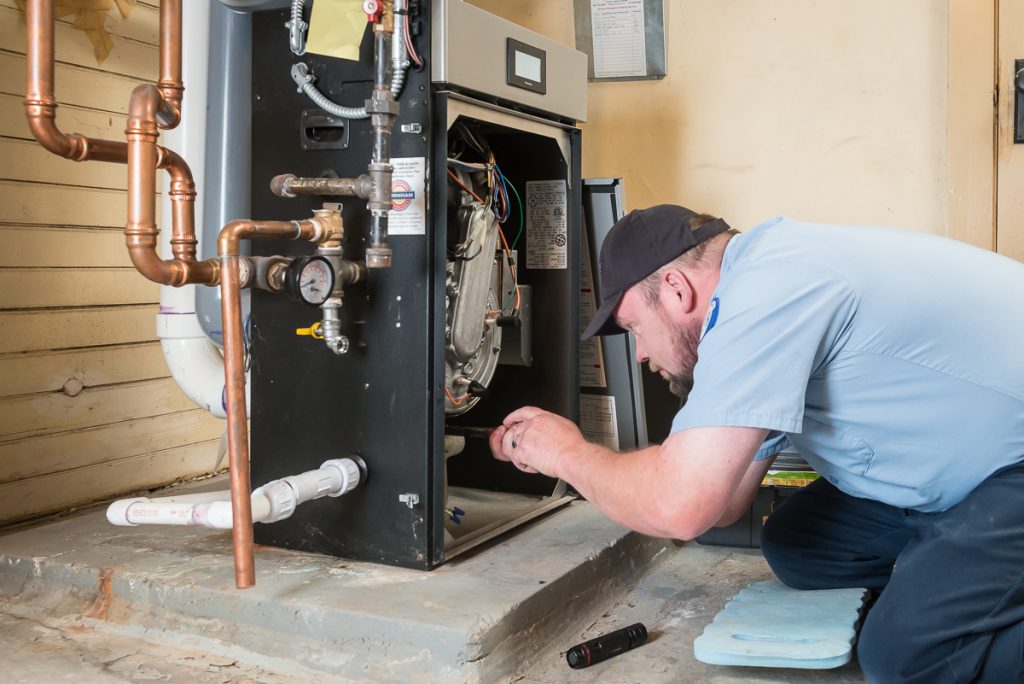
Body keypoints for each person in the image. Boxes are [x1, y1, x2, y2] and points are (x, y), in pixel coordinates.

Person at [488, 204, 1024, 682]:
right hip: (966, 474)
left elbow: (681, 507)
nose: (640, 355)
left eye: (634, 328)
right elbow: (723, 504)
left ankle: (961, 604)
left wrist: (565, 453)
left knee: (907, 656)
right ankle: (965, 579)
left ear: (676, 289)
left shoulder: (766, 291)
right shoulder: (764, 278)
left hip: (1011, 470)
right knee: (798, 544)